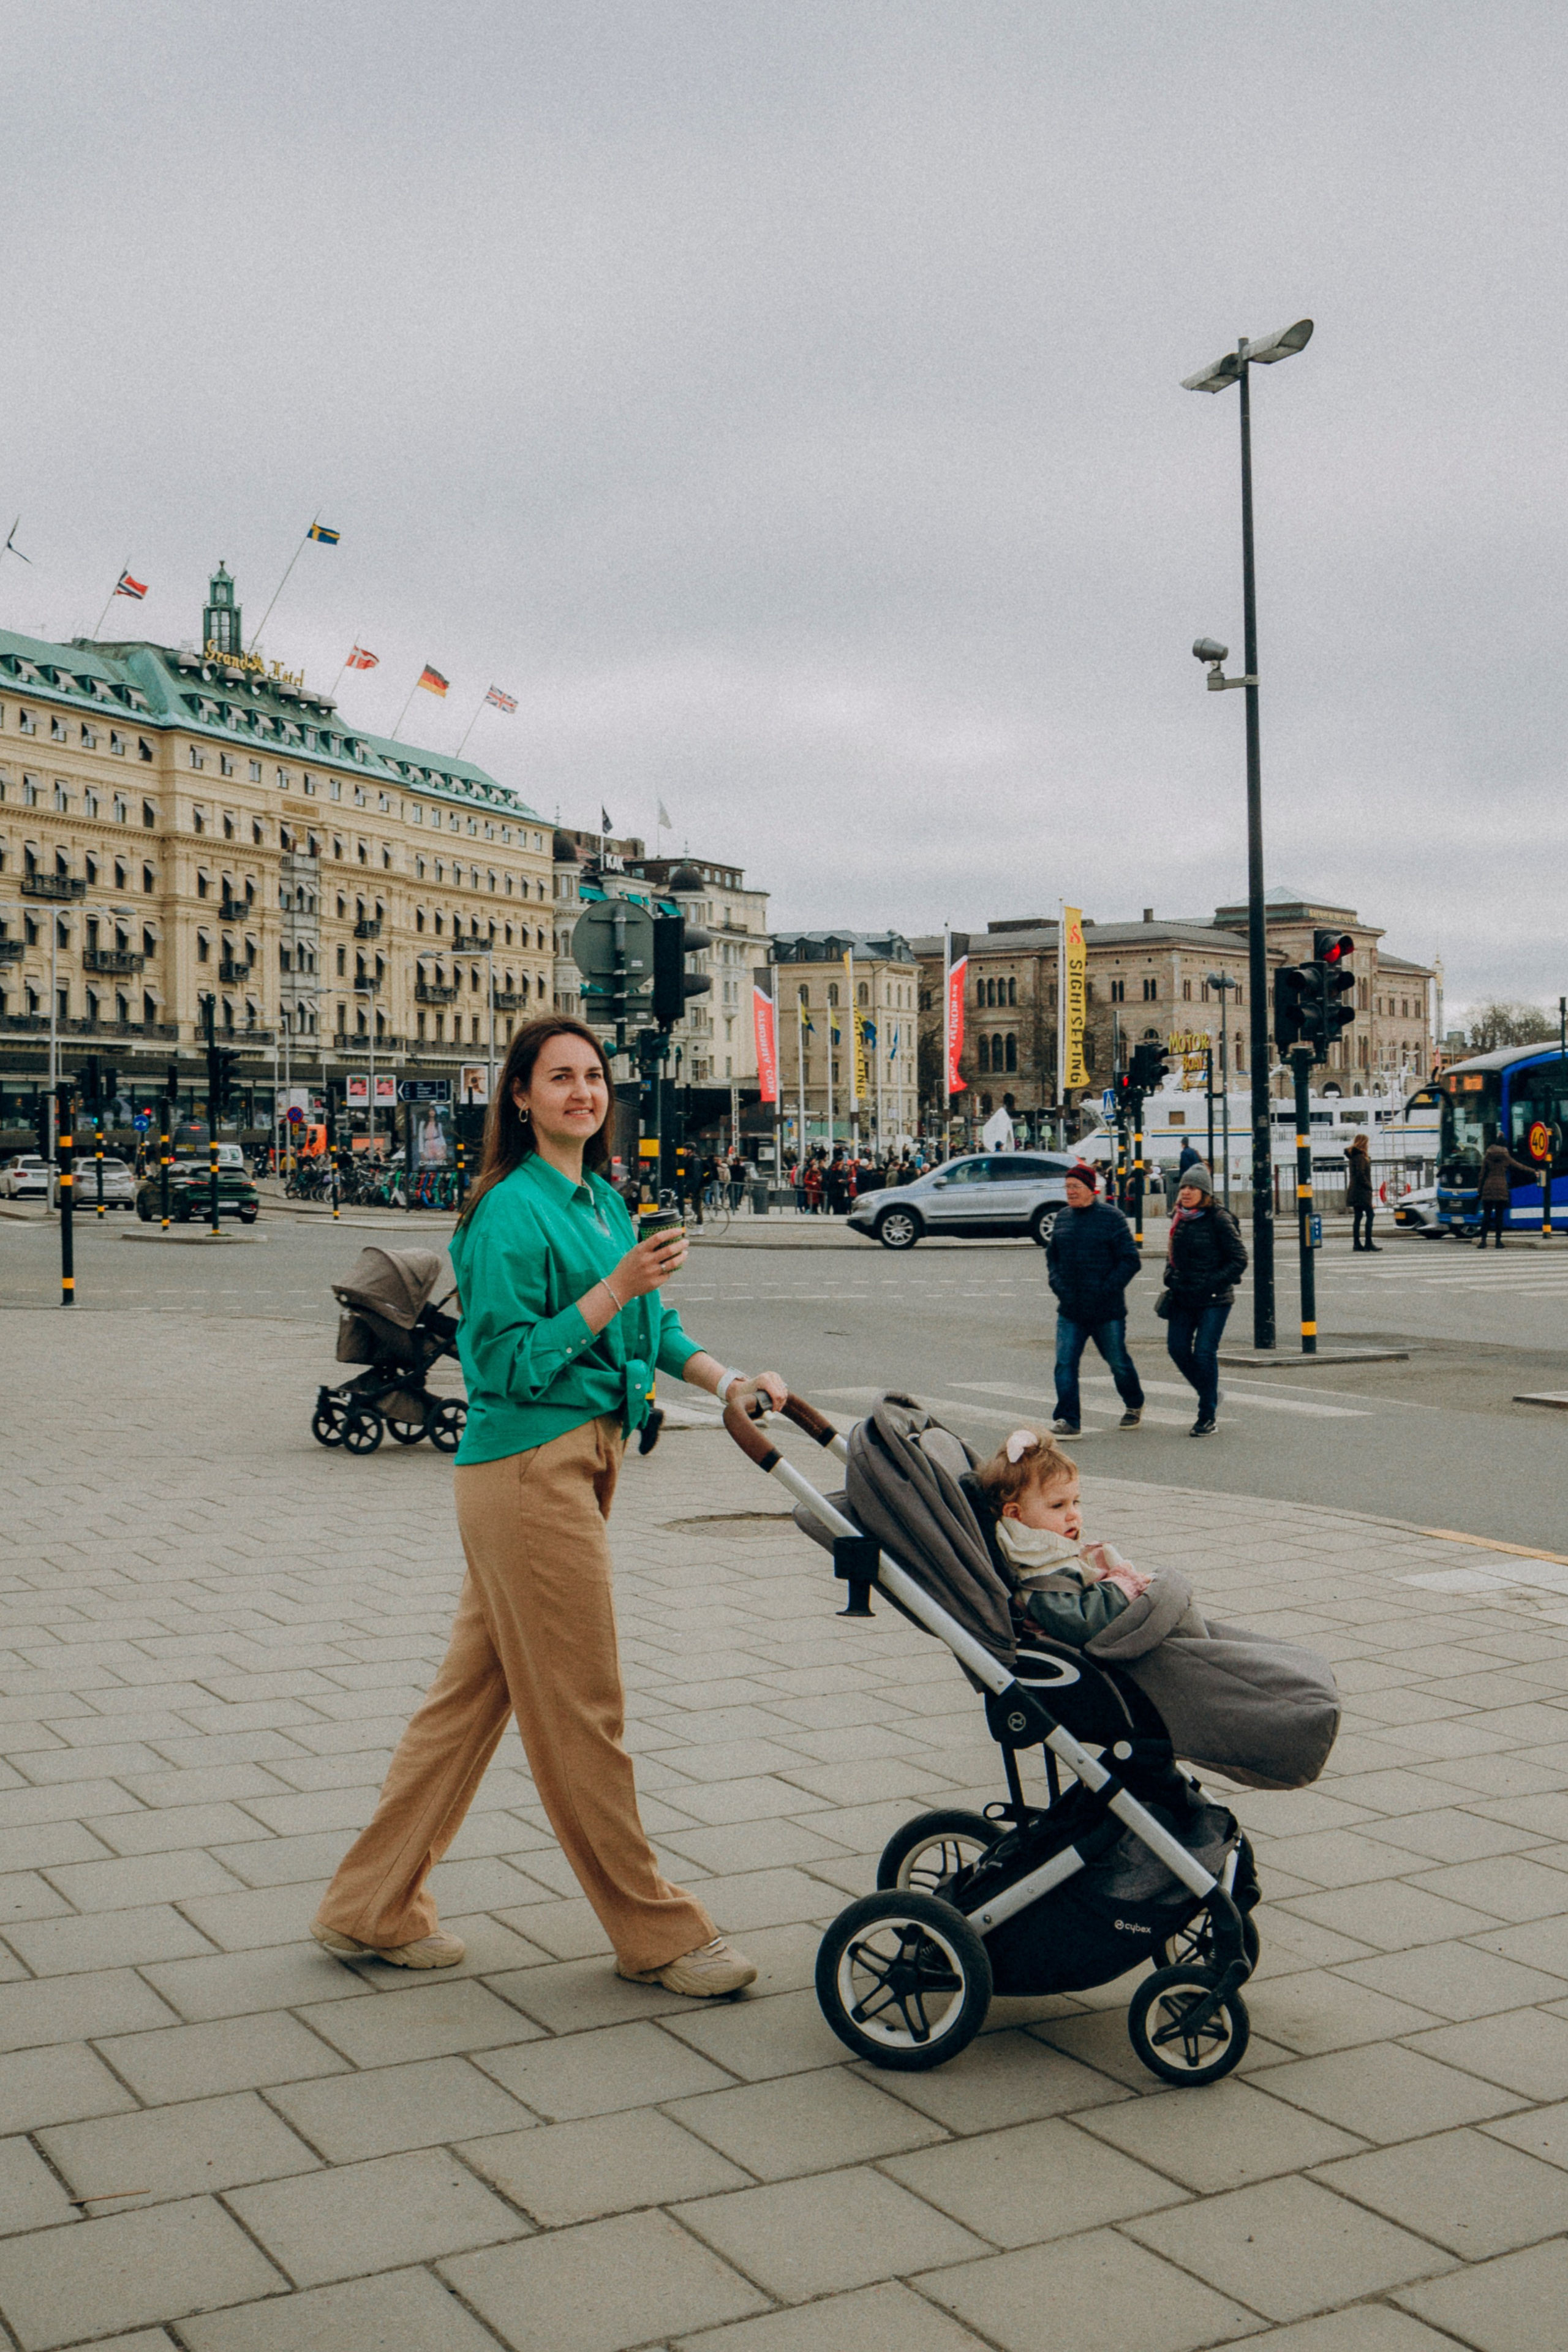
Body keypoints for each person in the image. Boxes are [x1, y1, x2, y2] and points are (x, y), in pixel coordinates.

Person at [311, 1015, 788, 1996]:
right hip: (529, 1471)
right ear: (521, 1098)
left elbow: (654, 1325)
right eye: (560, 1077)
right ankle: (657, 1932)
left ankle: (370, 1906)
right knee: (582, 1710)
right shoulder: (506, 1211)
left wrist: (726, 1381)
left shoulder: (602, 1198)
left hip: (574, 1463)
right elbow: (501, 1362)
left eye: (594, 1076)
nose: (583, 1092)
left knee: (465, 1708)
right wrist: (615, 1287)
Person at [974, 1428, 1149, 1644]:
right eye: (1058, 1506)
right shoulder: (1040, 1574)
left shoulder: (1049, 1554)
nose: (1073, 1514)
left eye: (1075, 1502)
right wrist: (1122, 1589)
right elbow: (1081, 1624)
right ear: (1016, 1514)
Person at [1044, 1161, 1144, 1436]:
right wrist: (1058, 1285)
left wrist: (1106, 1289)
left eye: (1076, 1187)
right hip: (1071, 1309)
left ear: (1091, 1189)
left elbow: (1130, 1260)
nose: (1070, 1192)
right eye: (1067, 1187)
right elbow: (1053, 1258)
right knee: (1065, 1363)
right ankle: (1069, 1420)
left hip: (1106, 1310)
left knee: (1118, 1362)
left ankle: (1134, 1403)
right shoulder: (1063, 1218)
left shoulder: (1112, 1218)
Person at [1164, 1163, 1247, 1436]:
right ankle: (1210, 1392)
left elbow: (1239, 1259)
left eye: (1193, 1188)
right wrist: (1170, 1275)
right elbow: (1172, 1255)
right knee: (1177, 1348)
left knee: (1203, 1353)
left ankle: (1207, 1415)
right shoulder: (1179, 1217)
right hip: (1183, 1296)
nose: (1186, 1192)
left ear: (1205, 1192)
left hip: (1214, 1299)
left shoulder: (1219, 1219)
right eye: (1184, 1187)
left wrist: (1210, 1281)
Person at [1477, 1134, 1534, 1248]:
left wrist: (1480, 1190)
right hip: (1501, 1188)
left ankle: (1483, 1241)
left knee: (1486, 1216)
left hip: (1488, 1187)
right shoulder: (1506, 1156)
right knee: (1499, 1217)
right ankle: (1498, 1242)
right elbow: (1519, 1166)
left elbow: (1482, 1175)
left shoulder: (1488, 1155)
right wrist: (1534, 1171)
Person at [1346, 1132, 1379, 1251]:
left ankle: (1357, 1243)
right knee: (1370, 1215)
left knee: (1358, 1217)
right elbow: (1361, 1174)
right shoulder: (1360, 1157)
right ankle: (1368, 1243)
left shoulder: (1353, 1156)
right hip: (1362, 1192)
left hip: (1355, 1191)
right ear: (1364, 1143)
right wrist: (1368, 1186)